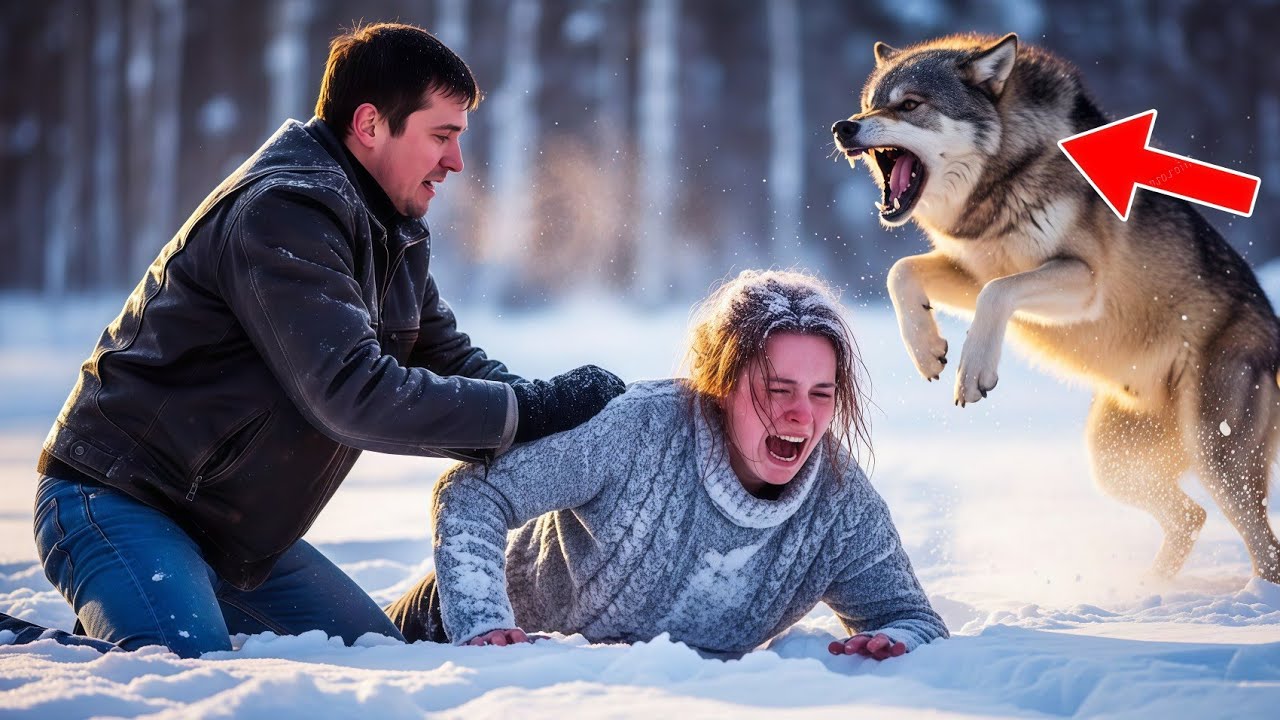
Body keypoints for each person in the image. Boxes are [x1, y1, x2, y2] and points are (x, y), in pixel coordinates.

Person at [22, 22, 624, 658]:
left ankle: (135, 611)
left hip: (234, 538)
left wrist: (567, 407)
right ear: (370, 125)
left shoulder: (388, 229)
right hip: (118, 498)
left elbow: (451, 359)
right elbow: (352, 393)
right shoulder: (282, 210)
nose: (456, 162)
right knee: (181, 667)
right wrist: (531, 411)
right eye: (441, 136)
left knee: (379, 658)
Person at [385, 269, 948, 659]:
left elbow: (913, 620)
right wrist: (483, 625)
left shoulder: (840, 504)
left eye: (821, 393)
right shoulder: (638, 431)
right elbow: (471, 494)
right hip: (434, 650)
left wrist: (891, 642)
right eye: (778, 389)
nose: (802, 415)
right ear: (721, 384)